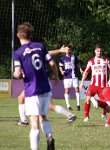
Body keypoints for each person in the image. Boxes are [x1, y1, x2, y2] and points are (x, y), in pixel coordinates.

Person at [13, 22, 58, 150]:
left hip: (32, 90)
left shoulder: (18, 53)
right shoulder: (40, 46)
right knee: (43, 117)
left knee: (34, 121)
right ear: (31, 34)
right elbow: (53, 64)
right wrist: (56, 76)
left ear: (18, 35)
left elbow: (17, 73)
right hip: (45, 88)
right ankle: (49, 136)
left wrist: (17, 74)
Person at [17, 46, 76, 125]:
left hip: (37, 84)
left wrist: (59, 50)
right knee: (49, 105)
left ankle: (24, 121)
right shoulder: (31, 58)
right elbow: (47, 54)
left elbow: (48, 54)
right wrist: (59, 50)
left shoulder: (29, 57)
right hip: (43, 82)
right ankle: (70, 115)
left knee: (21, 98)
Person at [79, 44, 110, 122]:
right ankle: (86, 117)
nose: (99, 52)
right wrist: (82, 82)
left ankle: (104, 115)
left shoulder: (106, 60)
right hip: (93, 85)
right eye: (98, 51)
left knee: (106, 103)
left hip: (104, 86)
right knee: (87, 98)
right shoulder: (91, 61)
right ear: (95, 51)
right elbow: (86, 72)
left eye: (100, 51)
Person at [59, 44, 83, 111]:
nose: (68, 50)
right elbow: (60, 66)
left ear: (71, 50)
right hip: (67, 76)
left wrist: (80, 70)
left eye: (69, 49)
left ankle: (78, 105)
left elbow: (78, 64)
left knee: (77, 89)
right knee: (67, 90)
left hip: (74, 75)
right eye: (66, 49)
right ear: (65, 50)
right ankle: (68, 106)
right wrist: (61, 71)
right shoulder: (62, 58)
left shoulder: (74, 57)